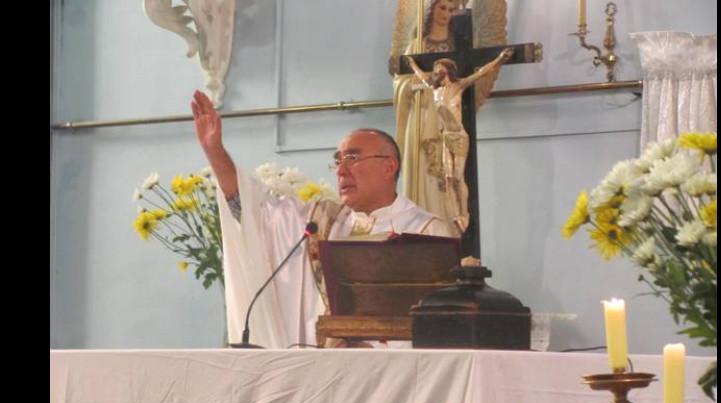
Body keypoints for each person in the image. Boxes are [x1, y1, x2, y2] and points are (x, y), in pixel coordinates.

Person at [191, 90, 452, 348]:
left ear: (389, 167)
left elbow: (439, 324)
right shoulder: (319, 222)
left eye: (352, 158)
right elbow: (252, 211)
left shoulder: (426, 232)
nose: (341, 170)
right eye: (337, 161)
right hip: (318, 372)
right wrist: (215, 151)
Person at [406, 48, 513, 231]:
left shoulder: (458, 86)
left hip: (459, 137)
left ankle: (465, 213)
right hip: (446, 136)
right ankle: (457, 216)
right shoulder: (434, 89)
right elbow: (422, 76)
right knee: (447, 177)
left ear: (446, 71)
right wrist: (411, 63)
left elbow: (481, 73)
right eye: (435, 70)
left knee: (457, 176)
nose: (435, 73)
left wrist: (499, 59)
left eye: (438, 69)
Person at [393, 0, 460, 236]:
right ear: (431, 10)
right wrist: (416, 85)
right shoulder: (416, 45)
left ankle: (449, 235)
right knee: (420, 174)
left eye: (452, 10)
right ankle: (419, 234)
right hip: (420, 118)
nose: (446, 14)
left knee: (447, 179)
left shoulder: (457, 46)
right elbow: (401, 82)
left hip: (446, 118)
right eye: (442, 8)